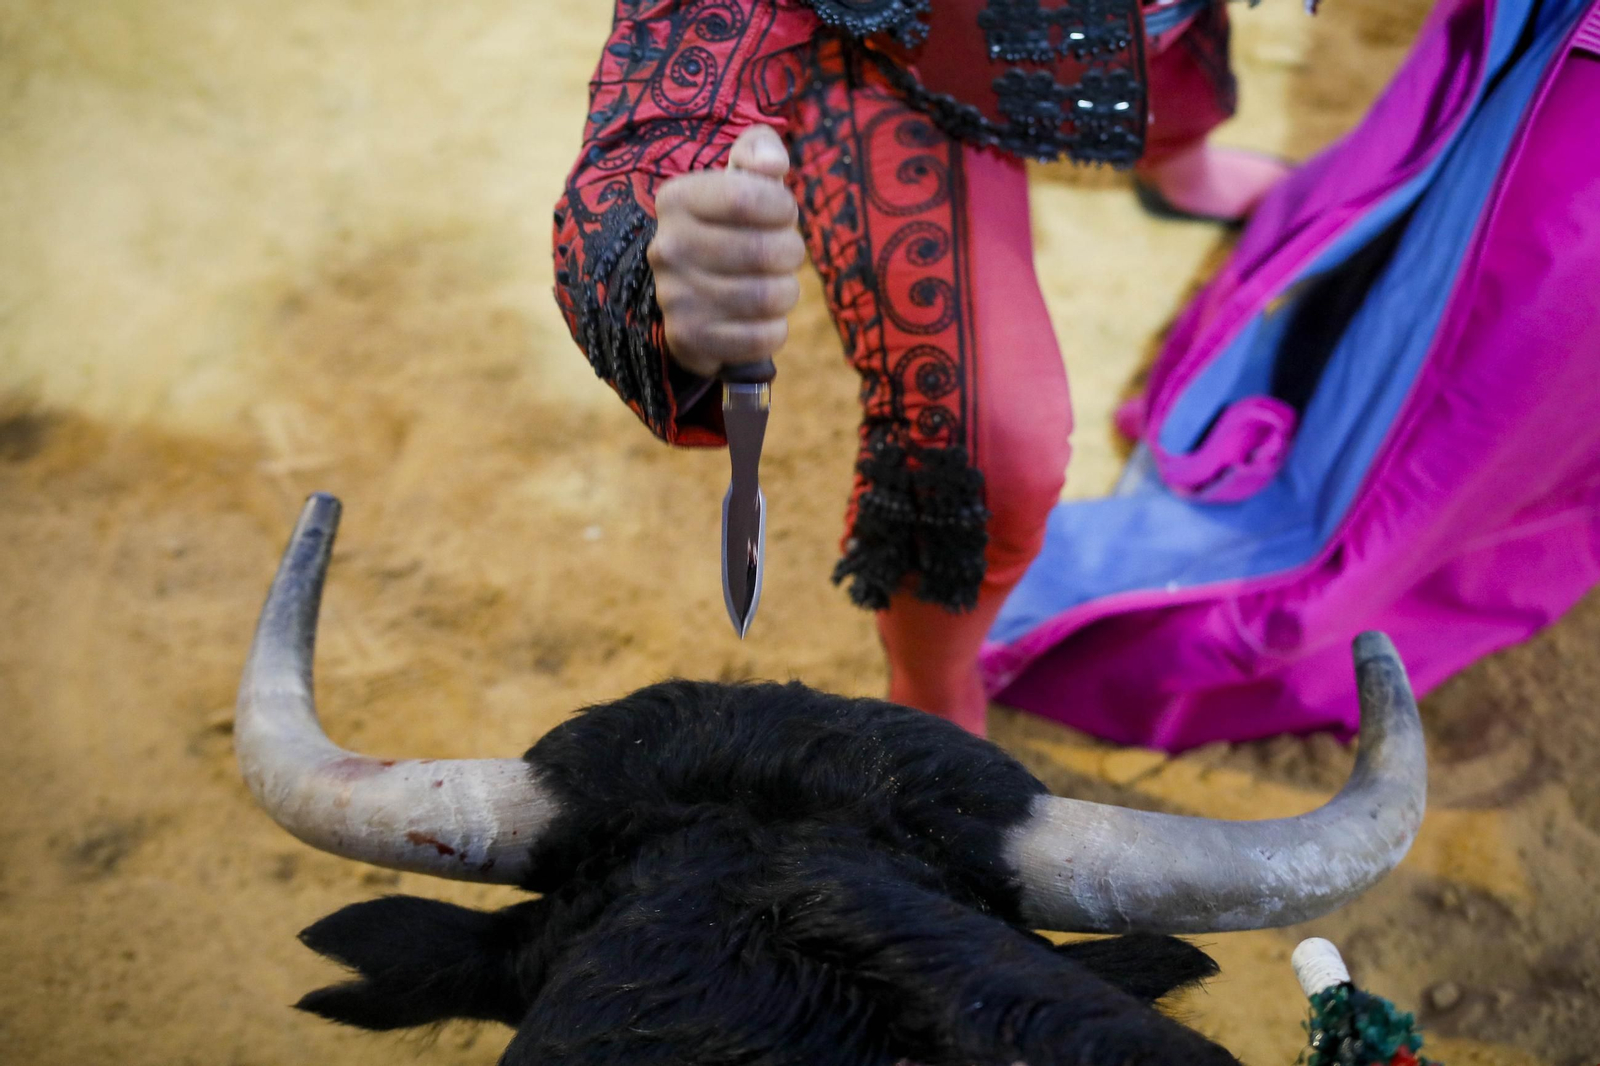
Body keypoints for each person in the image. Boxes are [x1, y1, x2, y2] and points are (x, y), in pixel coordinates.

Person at [553, 0, 1290, 735]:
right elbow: (674, 79)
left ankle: (1178, 157)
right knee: (990, 444)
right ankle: (932, 685)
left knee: (1167, 46)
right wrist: (650, 257)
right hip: (895, 55)